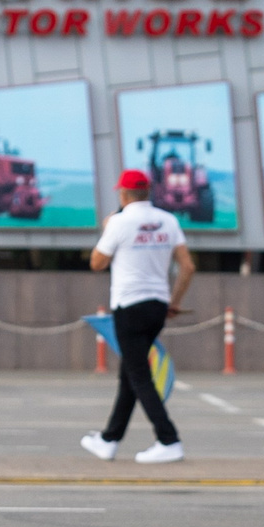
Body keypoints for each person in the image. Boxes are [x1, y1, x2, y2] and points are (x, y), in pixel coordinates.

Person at [79, 169, 194, 464]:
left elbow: (96, 263)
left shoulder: (119, 222)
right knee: (129, 375)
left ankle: (169, 439)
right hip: (157, 305)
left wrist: (108, 230)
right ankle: (109, 439)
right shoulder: (168, 220)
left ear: (123, 194)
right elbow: (188, 267)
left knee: (139, 376)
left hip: (129, 306)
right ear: (148, 191)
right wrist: (173, 302)